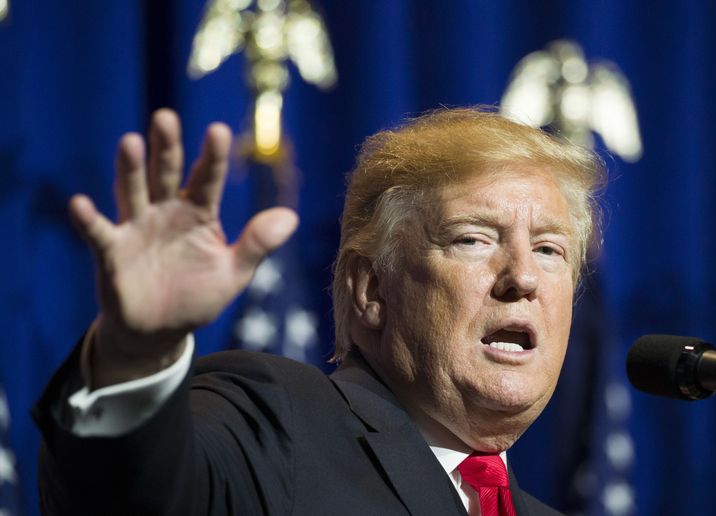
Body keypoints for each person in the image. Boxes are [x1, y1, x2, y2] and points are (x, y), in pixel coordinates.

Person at [32, 107, 605, 515]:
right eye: (473, 239)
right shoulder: (278, 425)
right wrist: (136, 351)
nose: (524, 278)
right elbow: (131, 495)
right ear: (370, 291)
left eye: (550, 250)